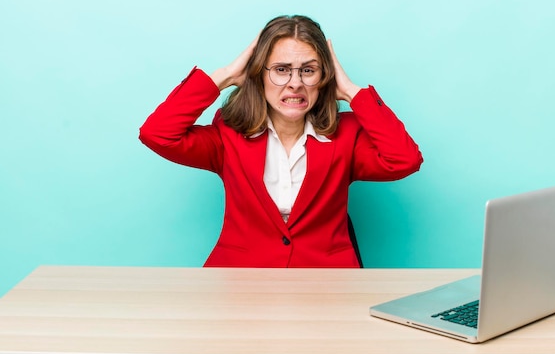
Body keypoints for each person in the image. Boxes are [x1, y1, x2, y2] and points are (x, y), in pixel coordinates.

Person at [139, 15, 423, 268]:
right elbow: (157, 134)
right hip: (240, 279)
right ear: (259, 74)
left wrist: (351, 92)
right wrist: (222, 77)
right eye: (281, 69)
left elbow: (405, 160)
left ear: (325, 77)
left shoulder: (346, 134)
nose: (295, 83)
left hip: (328, 283)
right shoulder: (229, 134)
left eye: (308, 70)